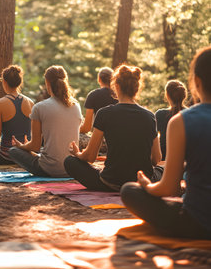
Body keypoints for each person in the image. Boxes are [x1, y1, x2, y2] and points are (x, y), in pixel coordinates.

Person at [121, 47, 211, 239]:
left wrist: (146, 185)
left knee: (129, 190)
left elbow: (169, 188)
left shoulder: (181, 121)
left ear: (196, 82)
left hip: (197, 223)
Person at [64, 64, 163, 191]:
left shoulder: (104, 113)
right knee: (163, 169)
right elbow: (156, 159)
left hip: (110, 182)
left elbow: (90, 157)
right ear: (137, 89)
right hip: (142, 181)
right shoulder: (149, 116)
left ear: (116, 86)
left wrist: (77, 153)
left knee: (69, 161)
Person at [8, 65, 82, 177]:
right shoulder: (76, 105)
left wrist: (21, 146)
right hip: (72, 168)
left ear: (47, 83)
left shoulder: (39, 107)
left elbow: (35, 146)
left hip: (50, 169)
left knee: (13, 151)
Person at [155, 80, 187, 159]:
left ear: (167, 96)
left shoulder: (160, 114)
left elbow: (153, 140)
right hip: (186, 159)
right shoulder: (191, 115)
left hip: (165, 159)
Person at [80, 67, 117, 134]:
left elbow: (86, 128)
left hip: (99, 139)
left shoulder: (93, 95)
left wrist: (74, 130)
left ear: (99, 79)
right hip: (117, 137)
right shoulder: (119, 96)